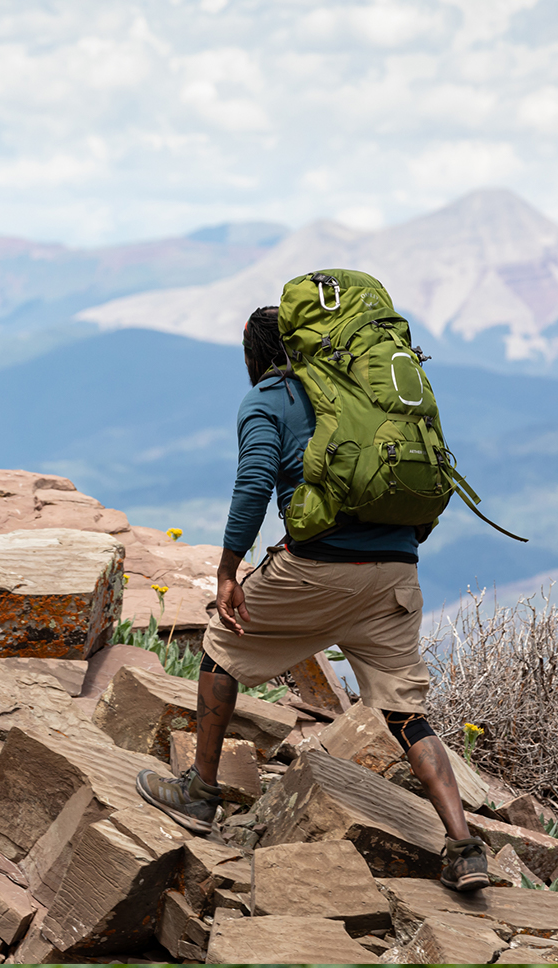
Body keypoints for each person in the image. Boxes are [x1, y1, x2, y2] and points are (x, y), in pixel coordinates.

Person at [134, 304, 489, 892]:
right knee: (405, 712)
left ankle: (199, 795)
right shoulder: (360, 396)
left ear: (254, 354)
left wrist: (227, 572)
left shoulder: (268, 399)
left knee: (221, 643)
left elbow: (253, 485)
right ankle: (465, 847)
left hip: (319, 568)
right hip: (396, 572)